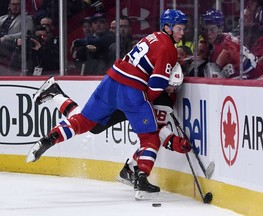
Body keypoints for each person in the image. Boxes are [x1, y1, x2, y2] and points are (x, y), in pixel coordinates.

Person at [26, 9, 190, 199]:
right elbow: (156, 86)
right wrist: (146, 106)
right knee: (149, 138)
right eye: (179, 28)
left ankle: (50, 138)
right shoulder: (168, 49)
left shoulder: (152, 37)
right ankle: (141, 176)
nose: (182, 33)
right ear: (168, 28)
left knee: (85, 121)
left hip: (111, 80)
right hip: (131, 92)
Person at [200, 9, 263, 79]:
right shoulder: (224, 38)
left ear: (220, 28)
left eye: (212, 29)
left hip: (258, 79)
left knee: (211, 67)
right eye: (206, 29)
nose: (208, 33)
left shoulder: (223, 48)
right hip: (254, 75)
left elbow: (215, 78)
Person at [0, 0, 33, 68]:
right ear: (9, 6)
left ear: (22, 6)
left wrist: (5, 38)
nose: (15, 6)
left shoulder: (27, 18)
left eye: (17, 4)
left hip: (13, 45)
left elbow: (26, 33)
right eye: (13, 4)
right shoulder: (2, 18)